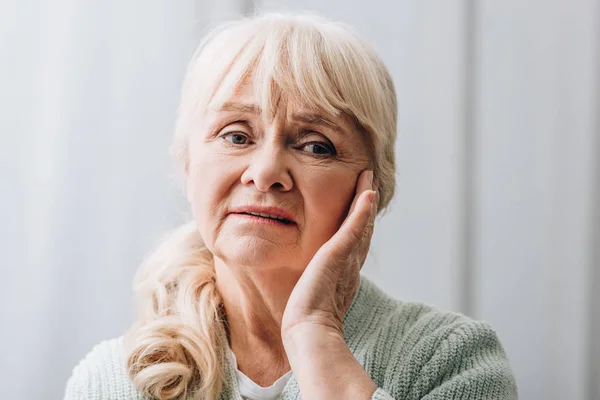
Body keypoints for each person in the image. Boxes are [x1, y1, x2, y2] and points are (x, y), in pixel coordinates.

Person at [63, 13, 518, 400]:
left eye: (316, 146)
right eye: (236, 135)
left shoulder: (450, 360)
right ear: (188, 165)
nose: (265, 173)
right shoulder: (111, 380)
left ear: (372, 188)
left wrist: (315, 337)